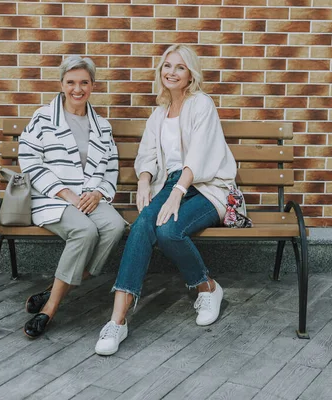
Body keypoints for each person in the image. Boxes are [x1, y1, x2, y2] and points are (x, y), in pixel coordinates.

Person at [95, 44, 238, 355]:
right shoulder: (159, 114)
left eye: (180, 67)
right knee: (144, 225)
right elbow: (147, 153)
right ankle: (117, 321)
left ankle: (208, 288)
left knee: (169, 230)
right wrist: (145, 180)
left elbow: (199, 155)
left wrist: (177, 193)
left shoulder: (202, 105)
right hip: (170, 184)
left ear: (190, 75)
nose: (171, 72)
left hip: (208, 187)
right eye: (167, 66)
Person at [18, 56, 125, 339]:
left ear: (93, 85)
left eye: (84, 83)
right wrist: (64, 193)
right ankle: (50, 309)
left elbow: (111, 166)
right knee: (85, 231)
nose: (77, 89)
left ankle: (55, 288)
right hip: (53, 197)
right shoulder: (43, 118)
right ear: (62, 84)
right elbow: (29, 160)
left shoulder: (102, 125)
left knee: (115, 226)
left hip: (89, 197)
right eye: (71, 82)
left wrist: (99, 192)